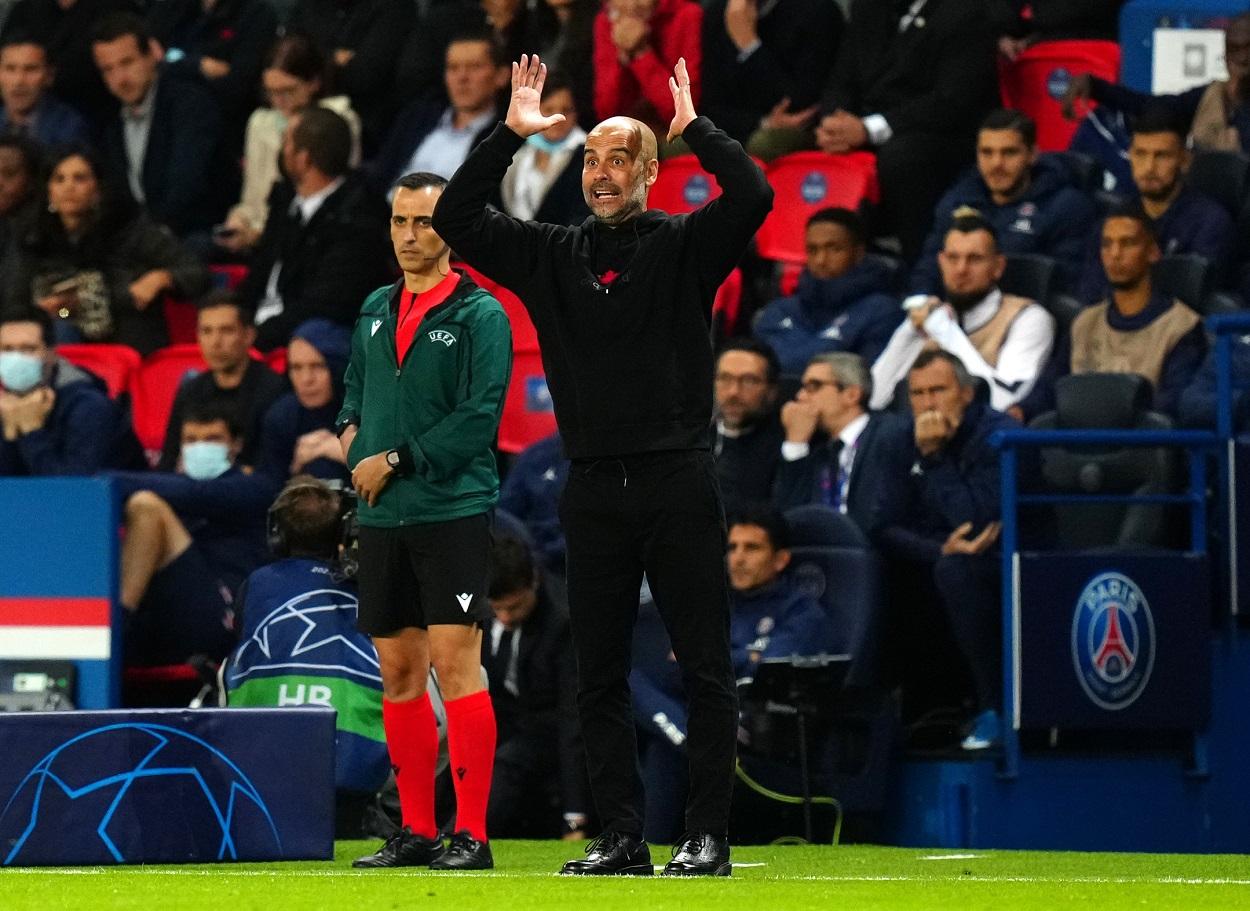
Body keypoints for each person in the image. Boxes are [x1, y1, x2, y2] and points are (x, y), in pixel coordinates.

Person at [432, 54, 772, 876]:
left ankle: (706, 835)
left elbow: (755, 198)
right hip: (592, 488)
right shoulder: (551, 253)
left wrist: (697, 129)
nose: (602, 170)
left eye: (621, 157)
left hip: (677, 479)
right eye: (591, 157)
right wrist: (509, 136)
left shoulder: (687, 246)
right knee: (597, 673)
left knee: (703, 662)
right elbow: (455, 215)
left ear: (653, 172)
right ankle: (619, 835)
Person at [338, 171, 512, 871]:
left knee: (455, 664)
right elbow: (354, 389)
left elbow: (480, 417)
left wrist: (394, 458)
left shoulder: (481, 314)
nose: (411, 236)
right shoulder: (375, 307)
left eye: (426, 223)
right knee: (398, 668)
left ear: (452, 230)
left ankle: (470, 832)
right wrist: (352, 435)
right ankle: (414, 828)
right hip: (383, 516)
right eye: (401, 222)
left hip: (451, 511)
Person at [630, 505, 833, 841]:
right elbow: (672, 674)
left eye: (752, 548)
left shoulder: (801, 612)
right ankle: (685, 738)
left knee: (666, 749)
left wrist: (706, 656)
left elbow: (771, 667)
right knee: (626, 680)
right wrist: (742, 655)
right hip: (699, 722)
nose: (738, 558)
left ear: (781, 559)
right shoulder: (713, 603)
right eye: (732, 547)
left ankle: (649, 842)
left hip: (757, 736)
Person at [878, 349, 1014, 751]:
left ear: (968, 394)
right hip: (942, 556)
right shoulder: (901, 437)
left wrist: (934, 459)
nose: (928, 403)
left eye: (938, 390)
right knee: (882, 568)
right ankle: (902, 716)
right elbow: (882, 524)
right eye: (918, 393)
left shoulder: (1000, 437)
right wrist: (937, 548)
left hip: (1008, 562)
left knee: (957, 572)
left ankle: (995, 709)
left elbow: (973, 522)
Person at [814, 0, 998, 260]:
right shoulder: (868, 8)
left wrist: (868, 129)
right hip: (866, 129)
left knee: (902, 158)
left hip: (941, 135)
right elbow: (841, 78)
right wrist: (833, 123)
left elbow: (952, 102)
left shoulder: (967, 12)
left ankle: (919, 260)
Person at [111, 398, 279, 666]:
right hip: (169, 612)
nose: (200, 447)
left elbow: (197, 494)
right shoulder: (173, 487)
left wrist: (96, 481)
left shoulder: (253, 488)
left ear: (235, 444)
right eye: (191, 440)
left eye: (212, 438)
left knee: (146, 507)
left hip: (225, 614)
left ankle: (113, 629)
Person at [1, 145, 209, 354]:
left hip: (129, 335)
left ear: (98, 189)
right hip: (62, 328)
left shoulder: (131, 229)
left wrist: (162, 277)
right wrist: (57, 309)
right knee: (59, 326)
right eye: (59, 179)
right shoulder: (32, 236)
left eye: (79, 178)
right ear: (48, 192)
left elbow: (195, 271)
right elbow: (16, 300)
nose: (69, 187)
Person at [1017, 206, 1207, 423]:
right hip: (1077, 445)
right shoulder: (1084, 323)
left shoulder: (1181, 325)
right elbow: (1050, 386)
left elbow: (1174, 402)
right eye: (1107, 244)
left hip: (1141, 447)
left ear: (1153, 252)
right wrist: (1021, 410)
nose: (1115, 254)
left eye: (1128, 243)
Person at [239, 107, 392, 351]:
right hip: (259, 333)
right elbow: (258, 272)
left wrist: (255, 338)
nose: (282, 151)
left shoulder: (358, 217)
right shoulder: (284, 201)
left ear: (304, 158)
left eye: (286, 142)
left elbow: (326, 303)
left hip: (310, 341)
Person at [871, 213, 1054, 413]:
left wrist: (944, 330)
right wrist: (909, 332)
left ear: (998, 266)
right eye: (952, 258)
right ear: (941, 262)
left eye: (974, 259)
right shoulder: (930, 317)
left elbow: (1002, 402)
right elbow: (873, 399)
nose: (961, 269)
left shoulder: (1028, 318)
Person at [910, 109, 1097, 296]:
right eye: (987, 153)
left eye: (1009, 153)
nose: (996, 163)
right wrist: (921, 300)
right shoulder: (957, 200)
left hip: (1024, 316)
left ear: (1032, 154)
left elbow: (1065, 288)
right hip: (951, 312)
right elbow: (929, 263)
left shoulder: (1066, 208)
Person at [217, 34, 363, 255]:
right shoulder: (260, 122)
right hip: (255, 232)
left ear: (314, 83)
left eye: (287, 91)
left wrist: (260, 235)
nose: (278, 101)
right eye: (271, 92)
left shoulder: (338, 121)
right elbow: (252, 198)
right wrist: (239, 220)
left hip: (310, 238)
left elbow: (333, 196)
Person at [483, 533, 588, 839]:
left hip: (548, 735)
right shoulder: (476, 611)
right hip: (502, 729)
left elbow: (573, 720)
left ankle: (464, 839)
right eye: (497, 609)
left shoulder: (563, 623)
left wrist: (575, 815)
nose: (504, 618)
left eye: (513, 608)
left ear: (534, 582)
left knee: (508, 761)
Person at [1075, 105, 1237, 303]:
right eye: (1140, 154)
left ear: (1185, 160)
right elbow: (1090, 293)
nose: (1149, 167)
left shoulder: (1210, 222)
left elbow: (1194, 296)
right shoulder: (1113, 220)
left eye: (1161, 156)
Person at [92, 12, 225, 243]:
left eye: (127, 63)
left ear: (152, 54)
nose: (120, 78)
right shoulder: (110, 120)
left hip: (194, 233)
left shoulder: (189, 104)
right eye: (108, 70)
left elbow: (186, 186)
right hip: (141, 239)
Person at [1061, 13, 1250, 155]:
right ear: (1224, 55)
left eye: (1248, 48)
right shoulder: (1211, 95)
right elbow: (1152, 107)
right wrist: (1095, 86)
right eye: (1234, 49)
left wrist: (1242, 102)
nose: (1242, 58)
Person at [774, 352, 912, 539]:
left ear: (851, 395)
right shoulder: (819, 452)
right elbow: (789, 518)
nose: (800, 396)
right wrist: (795, 443)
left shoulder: (890, 433)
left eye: (813, 387)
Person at [753, 207, 901, 375]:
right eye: (813, 250)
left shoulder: (882, 312)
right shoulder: (778, 311)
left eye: (834, 249)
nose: (821, 260)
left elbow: (866, 381)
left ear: (858, 253)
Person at [158, 291, 286, 472]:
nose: (215, 342)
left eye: (226, 331)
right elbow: (169, 461)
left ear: (248, 335)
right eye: (206, 331)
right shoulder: (190, 391)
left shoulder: (274, 391)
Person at [0, 310, 139, 476]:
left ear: (51, 354)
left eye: (28, 349)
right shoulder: (6, 403)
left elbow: (71, 492)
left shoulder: (90, 407)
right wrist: (9, 433)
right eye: (7, 349)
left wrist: (32, 432)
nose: (16, 359)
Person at [369, 31, 507, 197]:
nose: (462, 77)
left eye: (474, 67)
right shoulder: (417, 118)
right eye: (453, 68)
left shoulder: (505, 137)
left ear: (501, 76)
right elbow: (378, 179)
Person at [698, 0, 842, 154]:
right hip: (741, 127)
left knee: (764, 143)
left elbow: (799, 105)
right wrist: (763, 122)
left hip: (802, 132)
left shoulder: (817, 11)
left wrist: (749, 47)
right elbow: (710, 107)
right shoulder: (719, 12)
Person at [286, 0, 415, 153]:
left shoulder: (394, 7)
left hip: (367, 124)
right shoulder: (309, 6)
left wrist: (314, 62)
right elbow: (286, 59)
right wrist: (334, 59)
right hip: (299, 105)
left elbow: (364, 76)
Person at [147, 0, 277, 146]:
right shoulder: (169, 7)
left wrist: (172, 61)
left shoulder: (257, 14)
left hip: (225, 130)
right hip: (163, 120)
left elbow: (238, 85)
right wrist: (199, 65)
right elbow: (149, 62)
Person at [257, 318, 352, 485]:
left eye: (318, 366)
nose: (306, 380)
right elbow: (271, 488)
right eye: (296, 368)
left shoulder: (370, 408)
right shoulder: (282, 415)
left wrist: (344, 450)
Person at [592, 0, 701, 143]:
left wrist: (641, 54)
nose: (630, 5)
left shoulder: (687, 15)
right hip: (626, 136)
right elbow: (606, 112)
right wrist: (623, 55)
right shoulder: (607, 21)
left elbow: (684, 115)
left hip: (679, 139)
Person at [497, 73, 589, 225]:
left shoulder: (589, 156)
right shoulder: (515, 150)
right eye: (548, 109)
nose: (558, 118)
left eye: (566, 110)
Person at [713, 338, 782, 513]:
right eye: (725, 378)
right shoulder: (694, 439)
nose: (733, 392)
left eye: (749, 381)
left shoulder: (783, 446)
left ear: (772, 391)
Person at [498, 430, 568, 572]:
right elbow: (505, 515)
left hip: (589, 561)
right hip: (533, 564)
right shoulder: (538, 455)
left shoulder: (615, 460)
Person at [0, 35, 90, 146]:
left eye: (31, 69)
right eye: (10, 69)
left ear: (49, 76)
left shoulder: (70, 127)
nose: (18, 81)